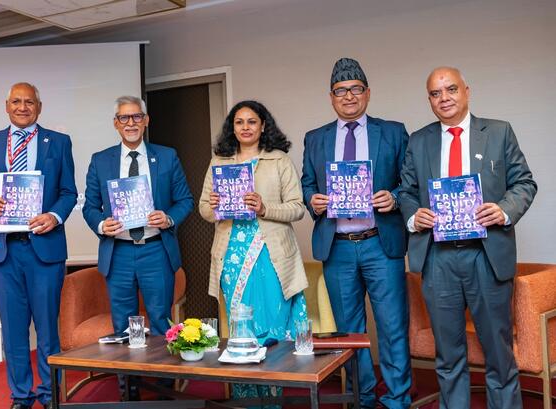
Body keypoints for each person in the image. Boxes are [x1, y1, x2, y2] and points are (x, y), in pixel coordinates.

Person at [398, 67, 537, 409]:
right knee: (448, 355)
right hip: (439, 258)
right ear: (429, 99)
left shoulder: (499, 132)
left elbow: (524, 183)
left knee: (498, 352)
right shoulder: (419, 141)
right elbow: (405, 192)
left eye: (451, 89)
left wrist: (503, 210)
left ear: (466, 91)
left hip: (486, 255)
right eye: (435, 93)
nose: (444, 98)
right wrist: (415, 216)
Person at [300, 58, 411, 409]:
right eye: (340, 91)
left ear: (367, 93)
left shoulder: (393, 132)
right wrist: (312, 201)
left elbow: (411, 182)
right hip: (338, 248)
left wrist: (393, 197)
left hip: (381, 244)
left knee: (392, 328)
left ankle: (396, 400)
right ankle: (363, 398)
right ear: (331, 97)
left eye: (355, 89)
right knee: (351, 333)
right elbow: (307, 183)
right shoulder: (315, 138)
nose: (348, 96)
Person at [0, 82, 78, 409]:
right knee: (14, 333)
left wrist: (55, 216)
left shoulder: (58, 142)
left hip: (44, 250)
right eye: (16, 101)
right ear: (7, 106)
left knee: (48, 331)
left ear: (39, 106)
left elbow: (68, 192)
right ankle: (21, 397)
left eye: (28, 102)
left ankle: (49, 397)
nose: (22, 107)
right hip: (5, 251)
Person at [82, 95, 193, 399]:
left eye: (136, 117)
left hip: (155, 249)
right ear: (115, 123)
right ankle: (128, 394)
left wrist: (168, 218)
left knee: (160, 321)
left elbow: (185, 200)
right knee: (122, 327)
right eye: (123, 118)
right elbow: (90, 206)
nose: (130, 123)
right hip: (117, 253)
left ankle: (162, 393)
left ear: (146, 121)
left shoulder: (167, 157)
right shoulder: (100, 159)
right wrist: (102, 224)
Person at [199, 100, 308, 408]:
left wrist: (264, 207)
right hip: (232, 255)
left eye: (251, 122)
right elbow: (204, 208)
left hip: (271, 255)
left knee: (272, 327)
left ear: (263, 126)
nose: (245, 127)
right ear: (232, 128)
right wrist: (217, 207)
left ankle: (272, 401)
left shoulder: (279, 160)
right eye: (239, 122)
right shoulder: (218, 161)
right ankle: (245, 403)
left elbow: (298, 208)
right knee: (242, 331)